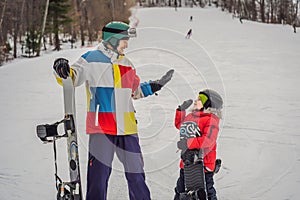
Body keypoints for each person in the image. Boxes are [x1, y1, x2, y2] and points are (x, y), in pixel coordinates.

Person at [52, 21, 174, 200]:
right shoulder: (90, 59)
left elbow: (135, 91)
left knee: (137, 177)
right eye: (124, 40)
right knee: (98, 179)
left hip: (128, 129)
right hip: (102, 128)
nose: (127, 44)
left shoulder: (127, 64)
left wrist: (156, 85)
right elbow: (71, 77)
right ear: (113, 39)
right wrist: (60, 69)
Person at [174, 89, 223, 200]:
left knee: (205, 192)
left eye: (200, 100)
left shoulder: (211, 120)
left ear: (208, 104)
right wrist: (181, 110)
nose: (196, 101)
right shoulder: (191, 116)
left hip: (203, 165)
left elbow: (208, 140)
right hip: (187, 163)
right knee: (180, 189)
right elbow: (180, 125)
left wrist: (187, 143)